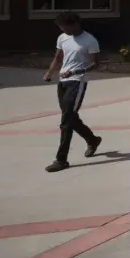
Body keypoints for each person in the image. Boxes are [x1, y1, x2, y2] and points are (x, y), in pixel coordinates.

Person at [41, 12, 103, 172]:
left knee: (66, 121)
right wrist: (49, 72)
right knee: (70, 117)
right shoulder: (62, 38)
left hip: (78, 82)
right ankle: (92, 140)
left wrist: (76, 72)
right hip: (63, 81)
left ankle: (61, 160)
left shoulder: (89, 40)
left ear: (75, 24)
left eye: (65, 27)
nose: (63, 30)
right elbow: (58, 58)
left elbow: (96, 64)